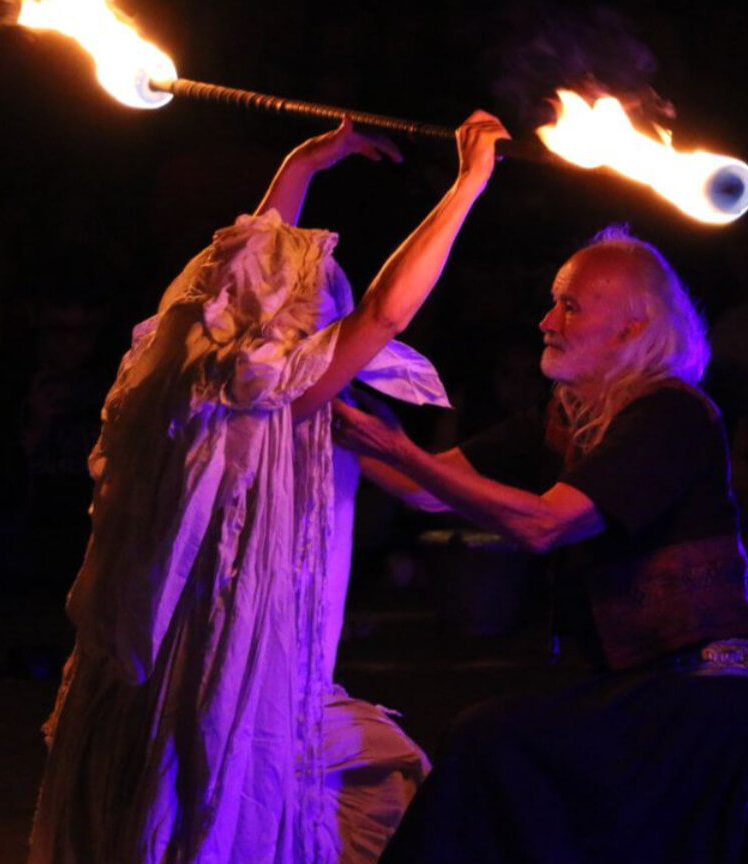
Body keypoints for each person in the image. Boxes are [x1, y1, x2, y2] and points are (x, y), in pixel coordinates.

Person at [27, 111, 510, 864]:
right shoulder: (267, 391)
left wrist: (304, 166)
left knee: (372, 774)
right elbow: (385, 310)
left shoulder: (177, 372)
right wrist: (468, 183)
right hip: (228, 677)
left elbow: (244, 271)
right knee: (265, 803)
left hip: (188, 673)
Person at [332, 226, 748, 864]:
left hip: (699, 698)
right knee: (499, 751)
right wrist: (322, 402)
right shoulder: (566, 419)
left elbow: (547, 524)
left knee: (495, 741)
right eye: (553, 301)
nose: (546, 321)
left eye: (571, 306)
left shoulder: (671, 416)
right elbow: (423, 485)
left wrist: (394, 446)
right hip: (636, 690)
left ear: (629, 329)